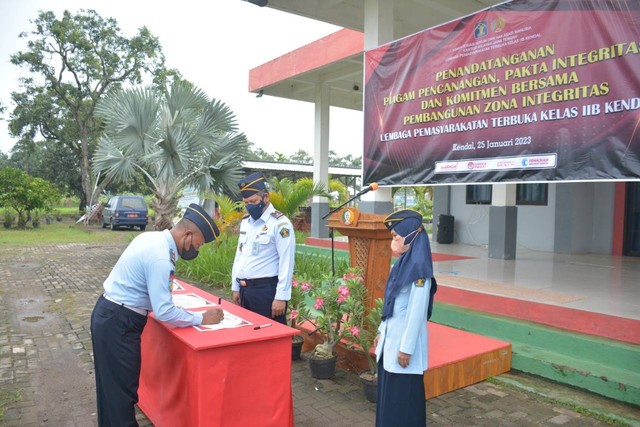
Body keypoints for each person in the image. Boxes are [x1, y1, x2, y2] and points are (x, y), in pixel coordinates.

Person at [90, 203, 224, 427]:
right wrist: (201, 318)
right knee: (122, 396)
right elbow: (163, 311)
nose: (196, 250)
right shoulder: (162, 256)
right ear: (188, 234)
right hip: (119, 323)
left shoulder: (152, 238)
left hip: (109, 314)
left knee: (111, 393)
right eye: (198, 244)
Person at [374, 209, 437, 427]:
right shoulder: (400, 265)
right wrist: (381, 331)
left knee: (404, 404)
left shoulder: (419, 272)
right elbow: (391, 304)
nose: (393, 242)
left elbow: (416, 313)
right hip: (390, 344)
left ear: (411, 235)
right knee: (389, 401)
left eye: (395, 237)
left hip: (403, 350)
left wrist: (407, 348)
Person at [231, 172, 296, 325]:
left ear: (266, 197)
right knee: (247, 337)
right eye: (246, 202)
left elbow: (286, 262)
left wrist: (281, 297)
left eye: (253, 201)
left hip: (266, 292)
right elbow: (239, 255)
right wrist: (236, 285)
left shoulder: (280, 224)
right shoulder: (246, 222)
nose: (249, 206)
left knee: (270, 340)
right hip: (245, 291)